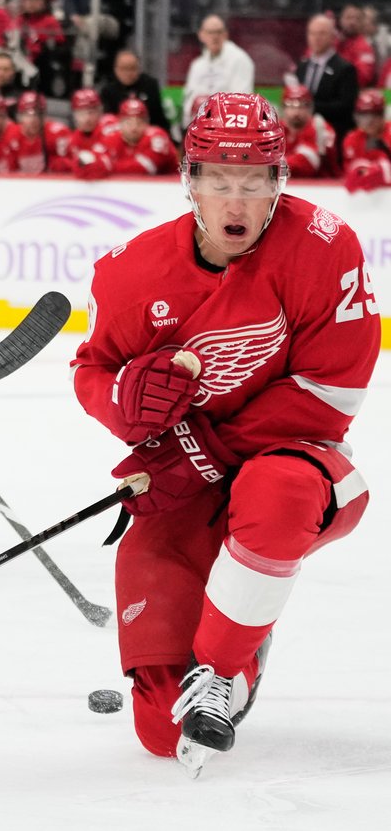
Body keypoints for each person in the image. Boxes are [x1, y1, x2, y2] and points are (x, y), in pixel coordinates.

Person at [71, 92, 377, 776]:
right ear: (190, 180)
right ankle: (243, 622)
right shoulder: (131, 272)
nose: (235, 202)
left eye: (252, 183)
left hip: (301, 466)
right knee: (160, 731)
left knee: (278, 492)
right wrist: (126, 400)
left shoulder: (326, 247)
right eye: (218, 181)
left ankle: (228, 657)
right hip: (180, 485)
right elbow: (93, 371)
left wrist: (204, 452)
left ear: (278, 183)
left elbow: (333, 393)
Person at [294, 14, 360, 141]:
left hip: (333, 135)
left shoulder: (345, 69)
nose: (316, 38)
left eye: (321, 33)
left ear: (332, 37)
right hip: (305, 136)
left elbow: (346, 106)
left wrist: (310, 107)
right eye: (312, 33)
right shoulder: (302, 66)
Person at [182, 15, 255, 126]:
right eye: (210, 32)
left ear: (226, 34)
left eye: (219, 32)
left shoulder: (240, 60)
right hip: (201, 126)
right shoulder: (197, 65)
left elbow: (242, 101)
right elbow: (189, 100)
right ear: (201, 35)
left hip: (229, 127)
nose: (215, 37)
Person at [100, 50, 168, 136]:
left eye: (132, 68)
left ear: (139, 69)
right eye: (124, 69)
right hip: (118, 136)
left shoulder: (150, 85)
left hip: (147, 135)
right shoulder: (108, 90)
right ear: (116, 69)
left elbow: (159, 118)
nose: (128, 73)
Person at [278, 83, 335, 179]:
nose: (296, 112)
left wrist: (273, 168)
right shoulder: (276, 129)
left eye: (302, 106)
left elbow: (308, 163)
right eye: (291, 106)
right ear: (284, 108)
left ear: (310, 108)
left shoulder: (319, 127)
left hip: (321, 186)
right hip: (284, 183)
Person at [340, 89, 391, 192]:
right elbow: (350, 172)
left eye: (373, 115)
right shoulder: (352, 139)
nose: (368, 122)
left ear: (381, 115)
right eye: (363, 116)